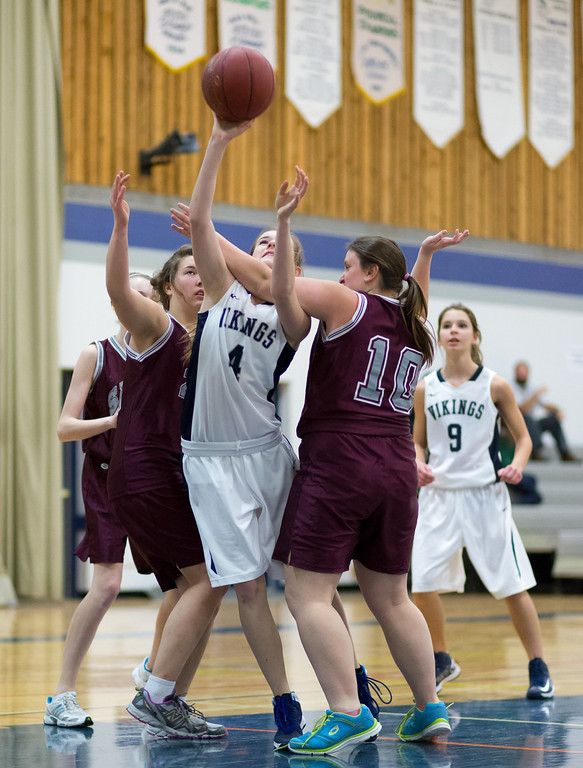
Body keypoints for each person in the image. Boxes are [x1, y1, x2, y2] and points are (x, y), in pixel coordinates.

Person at [221, 157, 470, 753]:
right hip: (396, 466)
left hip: (341, 460)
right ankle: (429, 707)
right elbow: (416, 297)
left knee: (306, 594)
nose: (341, 273)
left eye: (349, 266)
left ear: (369, 274)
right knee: (392, 597)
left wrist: (210, 231)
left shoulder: (344, 303)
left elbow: (268, 284)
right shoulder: (416, 327)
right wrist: (424, 258)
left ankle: (346, 711)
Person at [105, 172, 226, 740]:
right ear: (169, 284)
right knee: (210, 583)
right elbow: (117, 292)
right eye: (189, 271)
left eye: (205, 271)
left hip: (170, 477)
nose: (200, 279)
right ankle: (156, 693)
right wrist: (120, 229)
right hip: (147, 471)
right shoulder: (159, 325)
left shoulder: (210, 340)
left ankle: (170, 699)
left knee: (188, 591)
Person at [411, 304, 554, 701]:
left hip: (484, 496)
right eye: (447, 325)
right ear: (440, 336)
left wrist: (517, 466)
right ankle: (441, 657)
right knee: (422, 584)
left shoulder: (495, 385)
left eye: (462, 325)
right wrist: (417, 463)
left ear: (475, 336)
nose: (453, 330)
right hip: (438, 495)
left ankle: (538, 666)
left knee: (512, 585)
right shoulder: (425, 387)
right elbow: (418, 441)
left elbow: (523, 439)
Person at [44, 273, 167, 728]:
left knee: (184, 585)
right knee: (108, 585)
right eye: (132, 294)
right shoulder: (96, 355)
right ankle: (62, 694)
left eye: (148, 296)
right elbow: (65, 428)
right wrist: (112, 422)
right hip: (105, 477)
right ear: (117, 303)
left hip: (153, 479)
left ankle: (154, 672)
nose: (139, 302)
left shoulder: (165, 356)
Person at [512, 361, 579, 462]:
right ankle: (535, 451)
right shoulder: (510, 387)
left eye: (524, 372)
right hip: (521, 423)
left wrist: (557, 410)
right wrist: (536, 394)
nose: (522, 374)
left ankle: (564, 452)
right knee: (528, 418)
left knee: (553, 419)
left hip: (534, 423)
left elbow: (545, 404)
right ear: (515, 372)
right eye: (520, 372)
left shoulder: (531, 387)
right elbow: (523, 409)